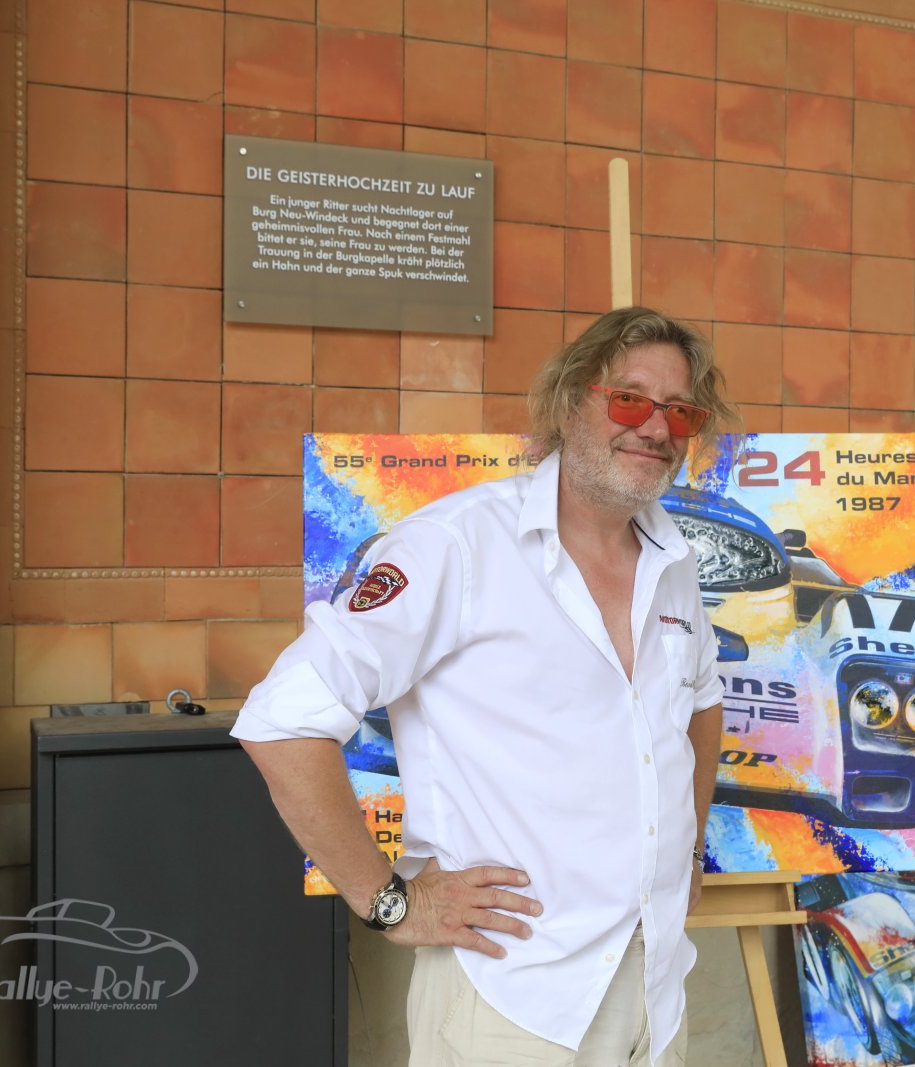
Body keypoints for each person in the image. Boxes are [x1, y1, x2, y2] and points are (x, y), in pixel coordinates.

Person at [231, 306, 738, 1066]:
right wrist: (389, 902)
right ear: (569, 401)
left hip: (654, 986)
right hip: (512, 995)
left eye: (680, 410)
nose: (657, 427)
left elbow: (699, 703)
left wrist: (688, 851)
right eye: (630, 400)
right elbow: (282, 720)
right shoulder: (455, 546)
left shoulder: (674, 562)